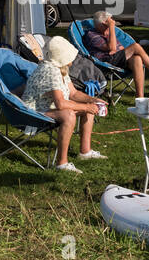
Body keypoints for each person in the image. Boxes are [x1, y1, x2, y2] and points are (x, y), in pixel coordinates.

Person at [21, 35, 107, 173]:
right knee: (68, 115)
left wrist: (92, 101)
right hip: (32, 113)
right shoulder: (50, 71)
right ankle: (62, 163)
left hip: (47, 107)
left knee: (88, 109)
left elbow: (73, 93)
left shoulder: (60, 68)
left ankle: (85, 152)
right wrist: (86, 106)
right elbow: (60, 104)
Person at [82, 10, 149, 99]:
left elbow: (118, 49)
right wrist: (111, 28)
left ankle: (140, 99)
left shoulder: (108, 34)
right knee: (136, 47)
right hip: (105, 63)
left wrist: (113, 41)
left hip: (116, 58)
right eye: (109, 23)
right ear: (102, 25)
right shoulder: (92, 35)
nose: (112, 24)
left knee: (137, 58)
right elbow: (112, 48)